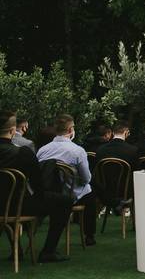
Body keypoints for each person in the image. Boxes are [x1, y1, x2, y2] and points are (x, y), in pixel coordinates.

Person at [0, 111, 72, 262]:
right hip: (18, 206)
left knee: (9, 198)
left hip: (5, 205)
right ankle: (48, 251)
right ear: (13, 131)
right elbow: (37, 184)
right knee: (64, 201)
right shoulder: (23, 153)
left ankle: (16, 250)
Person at [36, 114, 98, 247]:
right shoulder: (77, 151)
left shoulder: (42, 150)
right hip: (71, 193)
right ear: (70, 130)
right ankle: (89, 235)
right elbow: (86, 178)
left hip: (49, 192)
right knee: (90, 192)